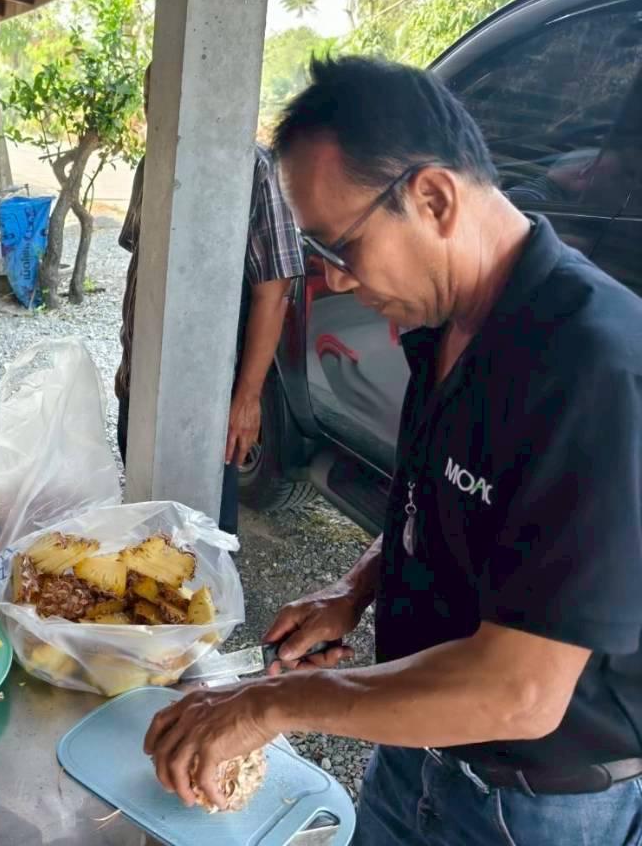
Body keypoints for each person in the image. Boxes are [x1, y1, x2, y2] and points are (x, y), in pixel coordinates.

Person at [144, 56, 642, 845]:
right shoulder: (441, 326)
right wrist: (356, 586)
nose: (335, 282)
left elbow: (520, 692)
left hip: (531, 808)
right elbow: (439, 497)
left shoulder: (592, 369)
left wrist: (268, 704)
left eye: (340, 248)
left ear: (434, 198)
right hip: (413, 749)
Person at [116, 63, 304, 535]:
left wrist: (247, 399)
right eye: (152, 100)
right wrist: (128, 371)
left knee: (201, 533)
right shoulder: (152, 164)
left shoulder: (255, 170)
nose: (157, 111)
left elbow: (274, 292)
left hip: (207, 395)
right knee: (142, 523)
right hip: (141, 382)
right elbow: (141, 270)